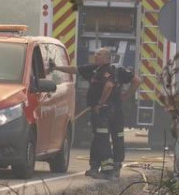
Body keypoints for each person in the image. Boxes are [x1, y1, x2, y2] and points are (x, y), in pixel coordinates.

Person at [51, 47, 137, 180]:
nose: (95, 56)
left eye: (99, 54)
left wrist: (101, 103)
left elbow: (109, 86)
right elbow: (75, 70)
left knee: (103, 139)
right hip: (113, 110)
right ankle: (98, 167)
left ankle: (108, 171)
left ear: (107, 58)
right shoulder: (94, 69)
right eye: (95, 53)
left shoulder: (109, 71)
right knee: (103, 138)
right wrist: (56, 68)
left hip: (104, 111)